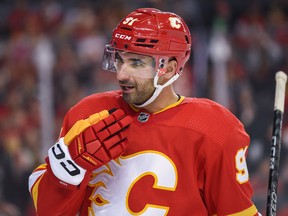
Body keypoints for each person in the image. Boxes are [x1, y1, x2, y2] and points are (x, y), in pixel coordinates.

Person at [28, 8, 261, 215]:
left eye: (137, 63)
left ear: (169, 69)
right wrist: (68, 172)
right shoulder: (87, 114)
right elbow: (46, 210)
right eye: (119, 60)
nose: (121, 74)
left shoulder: (215, 128)